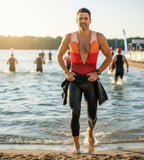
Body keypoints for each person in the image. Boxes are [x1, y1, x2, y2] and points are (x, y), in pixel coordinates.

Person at [57, 8, 112, 154]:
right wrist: (66, 72)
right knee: (75, 112)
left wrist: (98, 72)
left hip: (90, 80)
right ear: (76, 20)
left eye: (85, 18)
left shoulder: (99, 37)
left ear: (90, 20)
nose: (83, 21)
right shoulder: (69, 37)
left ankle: (90, 131)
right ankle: (76, 145)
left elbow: (109, 57)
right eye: (80, 19)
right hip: (74, 80)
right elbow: (58, 56)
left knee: (92, 115)